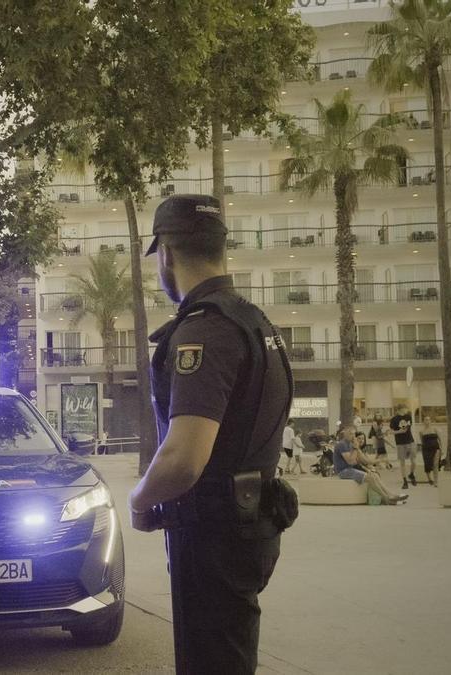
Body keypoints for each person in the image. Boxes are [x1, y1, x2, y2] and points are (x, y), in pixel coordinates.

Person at [127, 194, 294, 674]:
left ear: (166, 254)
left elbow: (183, 458)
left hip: (213, 534)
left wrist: (139, 499)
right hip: (248, 524)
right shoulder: (255, 322)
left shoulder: (205, 332)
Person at [333, 426, 408, 505]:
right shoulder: (342, 444)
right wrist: (356, 447)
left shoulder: (349, 444)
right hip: (344, 471)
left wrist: (356, 451)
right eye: (350, 434)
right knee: (371, 477)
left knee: (374, 476)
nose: (353, 436)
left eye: (354, 434)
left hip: (350, 469)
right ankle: (387, 498)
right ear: (345, 433)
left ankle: (391, 495)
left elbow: (356, 461)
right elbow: (351, 461)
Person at [390, 404, 417, 489]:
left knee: (414, 461)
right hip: (400, 443)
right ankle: (405, 481)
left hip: (410, 441)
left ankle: (411, 474)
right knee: (402, 463)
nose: (406, 410)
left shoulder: (408, 417)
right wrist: (396, 431)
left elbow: (405, 430)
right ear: (400, 409)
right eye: (405, 408)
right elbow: (391, 430)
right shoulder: (393, 419)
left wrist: (396, 432)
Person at [419, 417, 442, 484]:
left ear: (430, 421)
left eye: (428, 419)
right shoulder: (421, 431)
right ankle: (429, 479)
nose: (427, 421)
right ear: (423, 422)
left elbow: (440, 439)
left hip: (436, 448)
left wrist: (442, 449)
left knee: (435, 465)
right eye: (425, 420)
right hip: (426, 450)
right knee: (427, 464)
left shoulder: (435, 429)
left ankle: (436, 481)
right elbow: (422, 441)